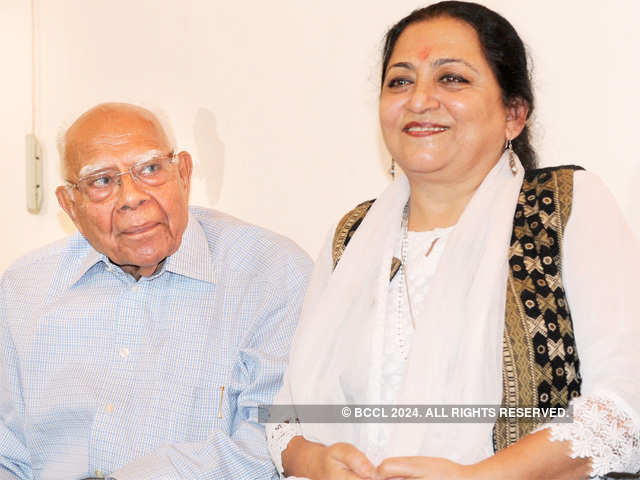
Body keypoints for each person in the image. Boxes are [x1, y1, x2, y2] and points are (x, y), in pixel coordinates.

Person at [266, 2, 640, 479]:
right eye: (400, 81)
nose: (419, 99)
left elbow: (624, 408)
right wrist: (315, 460)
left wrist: (478, 478)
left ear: (514, 113)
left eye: (452, 79)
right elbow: (286, 419)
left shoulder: (563, 207)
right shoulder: (352, 236)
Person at [0, 102, 312, 479]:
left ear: (183, 173)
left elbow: (275, 442)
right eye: (101, 181)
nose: (131, 196)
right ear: (70, 206)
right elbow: (7, 453)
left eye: (149, 169)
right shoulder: (23, 291)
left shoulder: (272, 273)